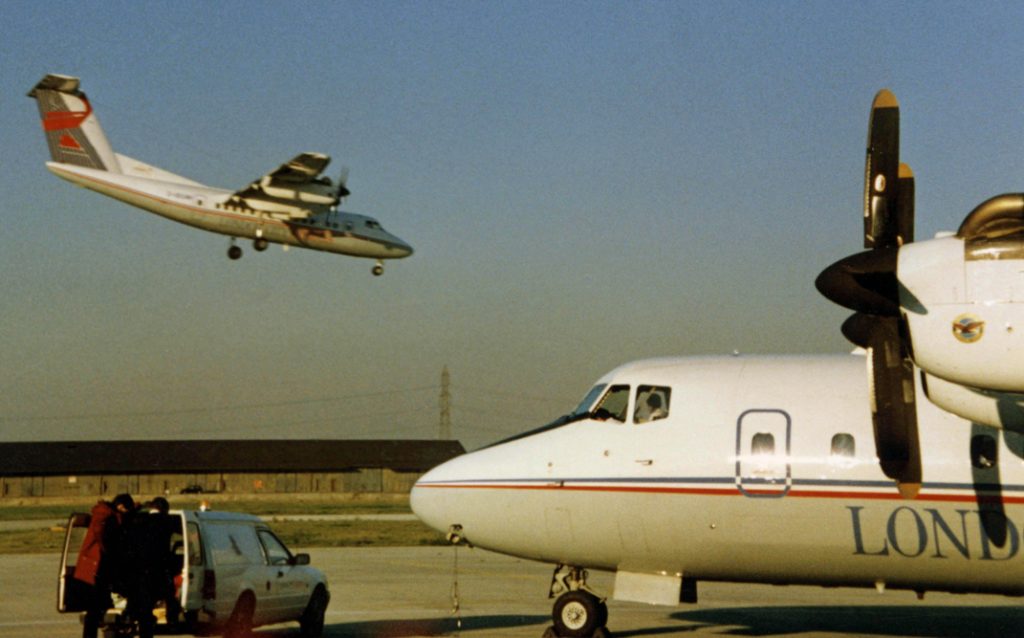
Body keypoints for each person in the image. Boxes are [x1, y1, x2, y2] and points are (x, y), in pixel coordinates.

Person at [75, 493, 134, 638]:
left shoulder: (107, 514)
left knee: (97, 606)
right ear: (120, 507)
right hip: (97, 568)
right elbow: (102, 537)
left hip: (96, 568)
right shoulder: (105, 517)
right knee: (94, 608)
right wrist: (110, 552)